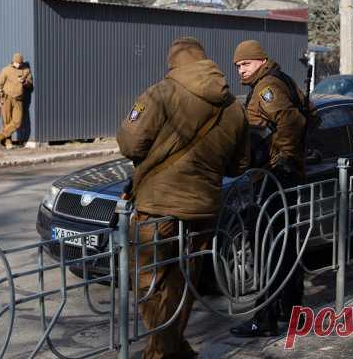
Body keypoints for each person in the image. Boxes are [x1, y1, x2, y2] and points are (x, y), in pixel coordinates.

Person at [117, 37, 250, 359]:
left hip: (157, 205)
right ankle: (174, 348)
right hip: (204, 206)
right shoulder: (233, 106)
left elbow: (131, 145)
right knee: (182, 281)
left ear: (174, 63)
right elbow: (240, 164)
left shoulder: (161, 93)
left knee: (147, 280)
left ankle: (162, 352)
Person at [229, 40, 310, 338]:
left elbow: (292, 120)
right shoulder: (282, 80)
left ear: (261, 60)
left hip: (274, 178)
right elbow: (309, 113)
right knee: (285, 247)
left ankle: (263, 319)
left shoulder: (268, 87)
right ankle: (293, 315)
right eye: (238, 65)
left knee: (266, 247)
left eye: (245, 64)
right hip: (280, 177)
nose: (240, 69)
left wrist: (284, 158)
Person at [0, 53, 33, 149]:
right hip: (6, 98)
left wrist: (25, 81)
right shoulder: (6, 70)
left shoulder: (26, 70)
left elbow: (30, 86)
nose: (18, 64)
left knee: (17, 121)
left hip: (19, 99)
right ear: (13, 61)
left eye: (19, 63)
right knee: (7, 121)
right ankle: (8, 143)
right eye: (16, 62)